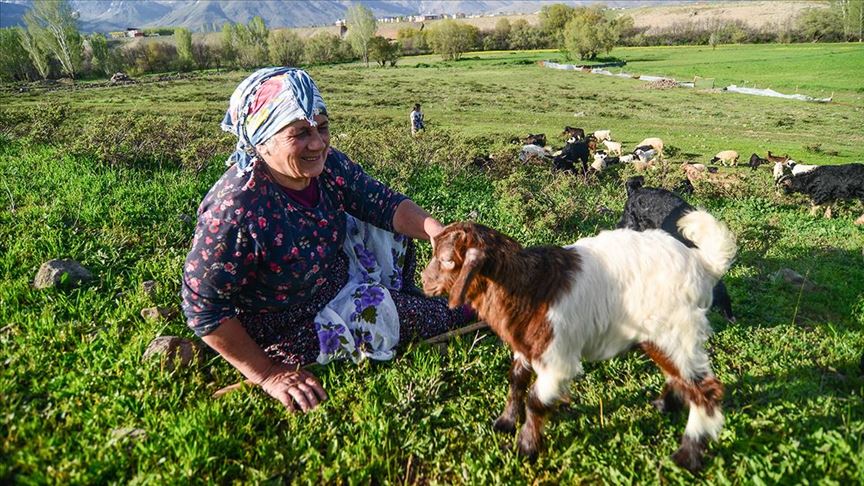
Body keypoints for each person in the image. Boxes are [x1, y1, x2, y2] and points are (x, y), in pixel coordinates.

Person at [182, 68, 471, 413]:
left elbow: (381, 202)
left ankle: (414, 295)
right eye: (300, 133)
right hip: (285, 317)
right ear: (263, 139)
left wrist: (439, 235)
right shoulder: (235, 210)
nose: (318, 143)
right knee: (395, 314)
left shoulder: (327, 166)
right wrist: (268, 374)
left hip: (334, 271)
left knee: (382, 225)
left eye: (322, 127)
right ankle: (468, 307)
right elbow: (203, 307)